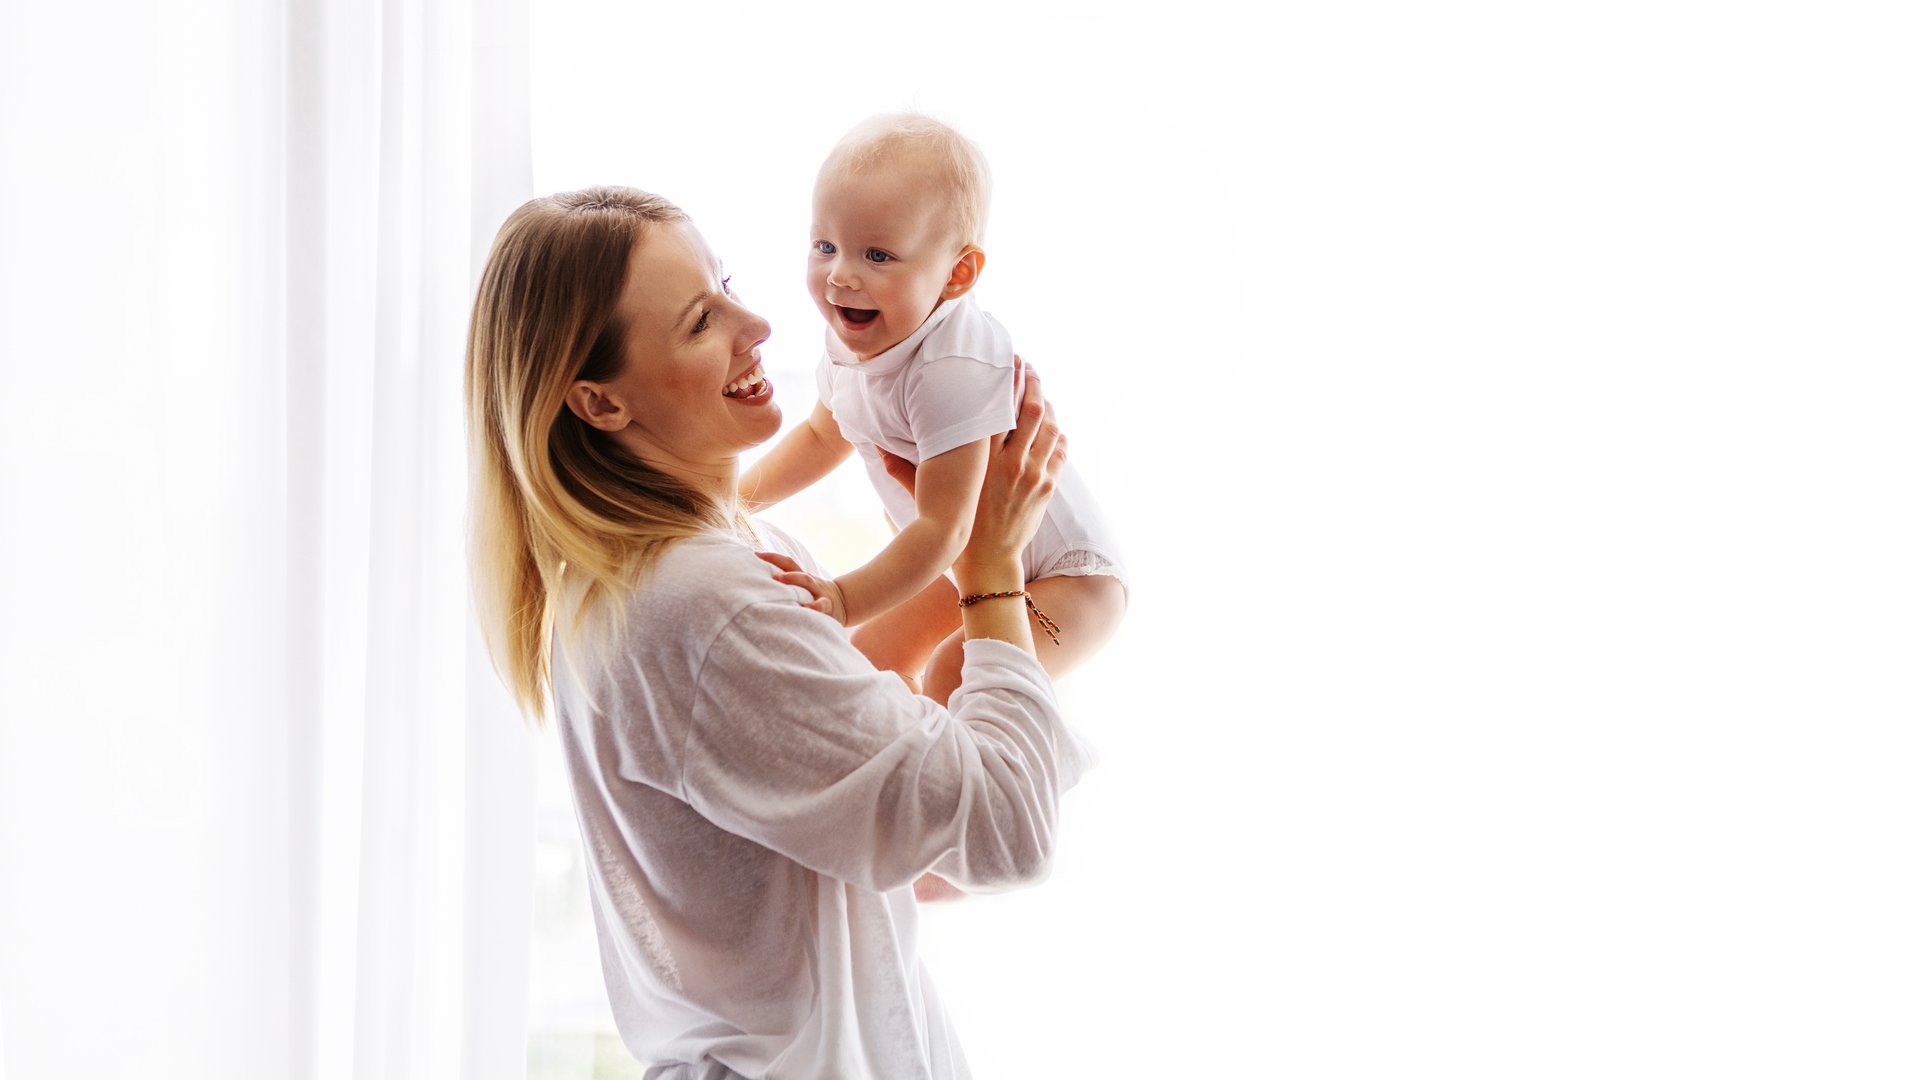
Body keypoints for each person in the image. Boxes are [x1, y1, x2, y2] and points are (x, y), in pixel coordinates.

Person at [465, 185, 1095, 1080]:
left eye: (725, 284)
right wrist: (990, 571)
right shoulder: (702, 602)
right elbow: (1005, 830)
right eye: (698, 322)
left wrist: (958, 548)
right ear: (599, 403)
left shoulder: (703, 562)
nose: (757, 323)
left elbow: (882, 819)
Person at [740, 113, 1127, 707]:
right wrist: (730, 504)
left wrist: (840, 597)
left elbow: (944, 530)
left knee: (956, 673)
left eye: (877, 254)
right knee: (866, 661)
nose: (841, 275)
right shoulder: (852, 337)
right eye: (825, 246)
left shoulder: (952, 368)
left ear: (958, 274)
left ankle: (975, 789)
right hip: (968, 557)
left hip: (1069, 576)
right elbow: (823, 435)